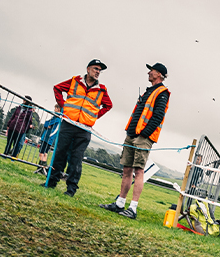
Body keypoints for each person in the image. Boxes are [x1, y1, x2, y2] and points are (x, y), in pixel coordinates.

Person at [100, 63, 168, 218]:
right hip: (132, 134)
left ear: (159, 74)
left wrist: (144, 134)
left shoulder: (162, 93)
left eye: (152, 70)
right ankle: (120, 204)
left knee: (139, 171)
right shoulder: (149, 91)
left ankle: (133, 208)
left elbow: (158, 116)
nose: (149, 72)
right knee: (126, 170)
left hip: (142, 137)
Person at [48, 59, 113, 197]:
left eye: (100, 70)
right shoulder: (74, 81)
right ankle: (51, 182)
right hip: (68, 123)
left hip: (84, 129)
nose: (98, 72)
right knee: (60, 153)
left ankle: (71, 190)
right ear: (88, 69)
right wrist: (63, 107)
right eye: (95, 69)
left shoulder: (102, 90)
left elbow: (108, 105)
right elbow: (57, 88)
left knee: (76, 159)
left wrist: (93, 117)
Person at [35, 104, 61, 174]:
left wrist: (48, 125)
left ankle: (42, 167)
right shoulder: (57, 118)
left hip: (47, 137)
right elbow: (47, 125)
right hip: (49, 138)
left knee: (41, 152)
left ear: (58, 109)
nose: (54, 110)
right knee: (45, 153)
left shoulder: (57, 118)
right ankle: (43, 168)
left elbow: (46, 124)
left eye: (55, 108)